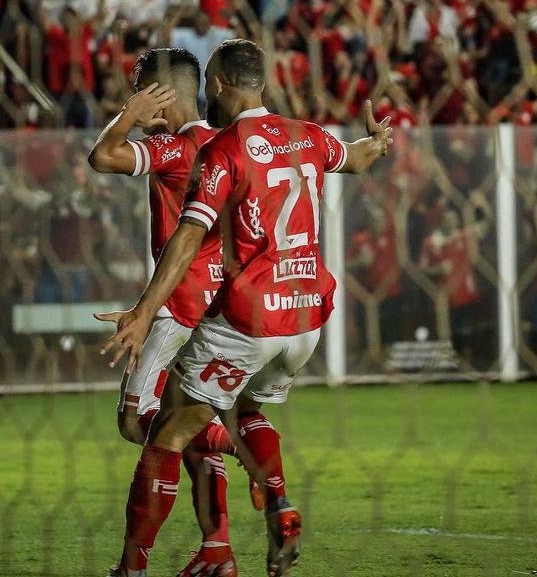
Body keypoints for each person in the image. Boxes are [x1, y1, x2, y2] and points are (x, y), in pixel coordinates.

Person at [96, 39, 393, 577]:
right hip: (305, 317)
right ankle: (261, 516)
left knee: (163, 430)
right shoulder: (308, 135)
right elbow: (360, 157)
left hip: (248, 316)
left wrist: (142, 310)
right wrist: (378, 139)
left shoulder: (224, 147)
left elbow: (188, 236)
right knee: (240, 412)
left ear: (217, 84)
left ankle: (132, 569)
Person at [87, 48, 247, 576]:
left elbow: (102, 155)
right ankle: (217, 550)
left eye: (141, 87)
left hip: (176, 307)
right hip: (224, 306)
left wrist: (129, 115)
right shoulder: (226, 145)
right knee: (183, 422)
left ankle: (240, 440)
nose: (134, 96)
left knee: (138, 423)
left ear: (164, 93)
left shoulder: (176, 149)